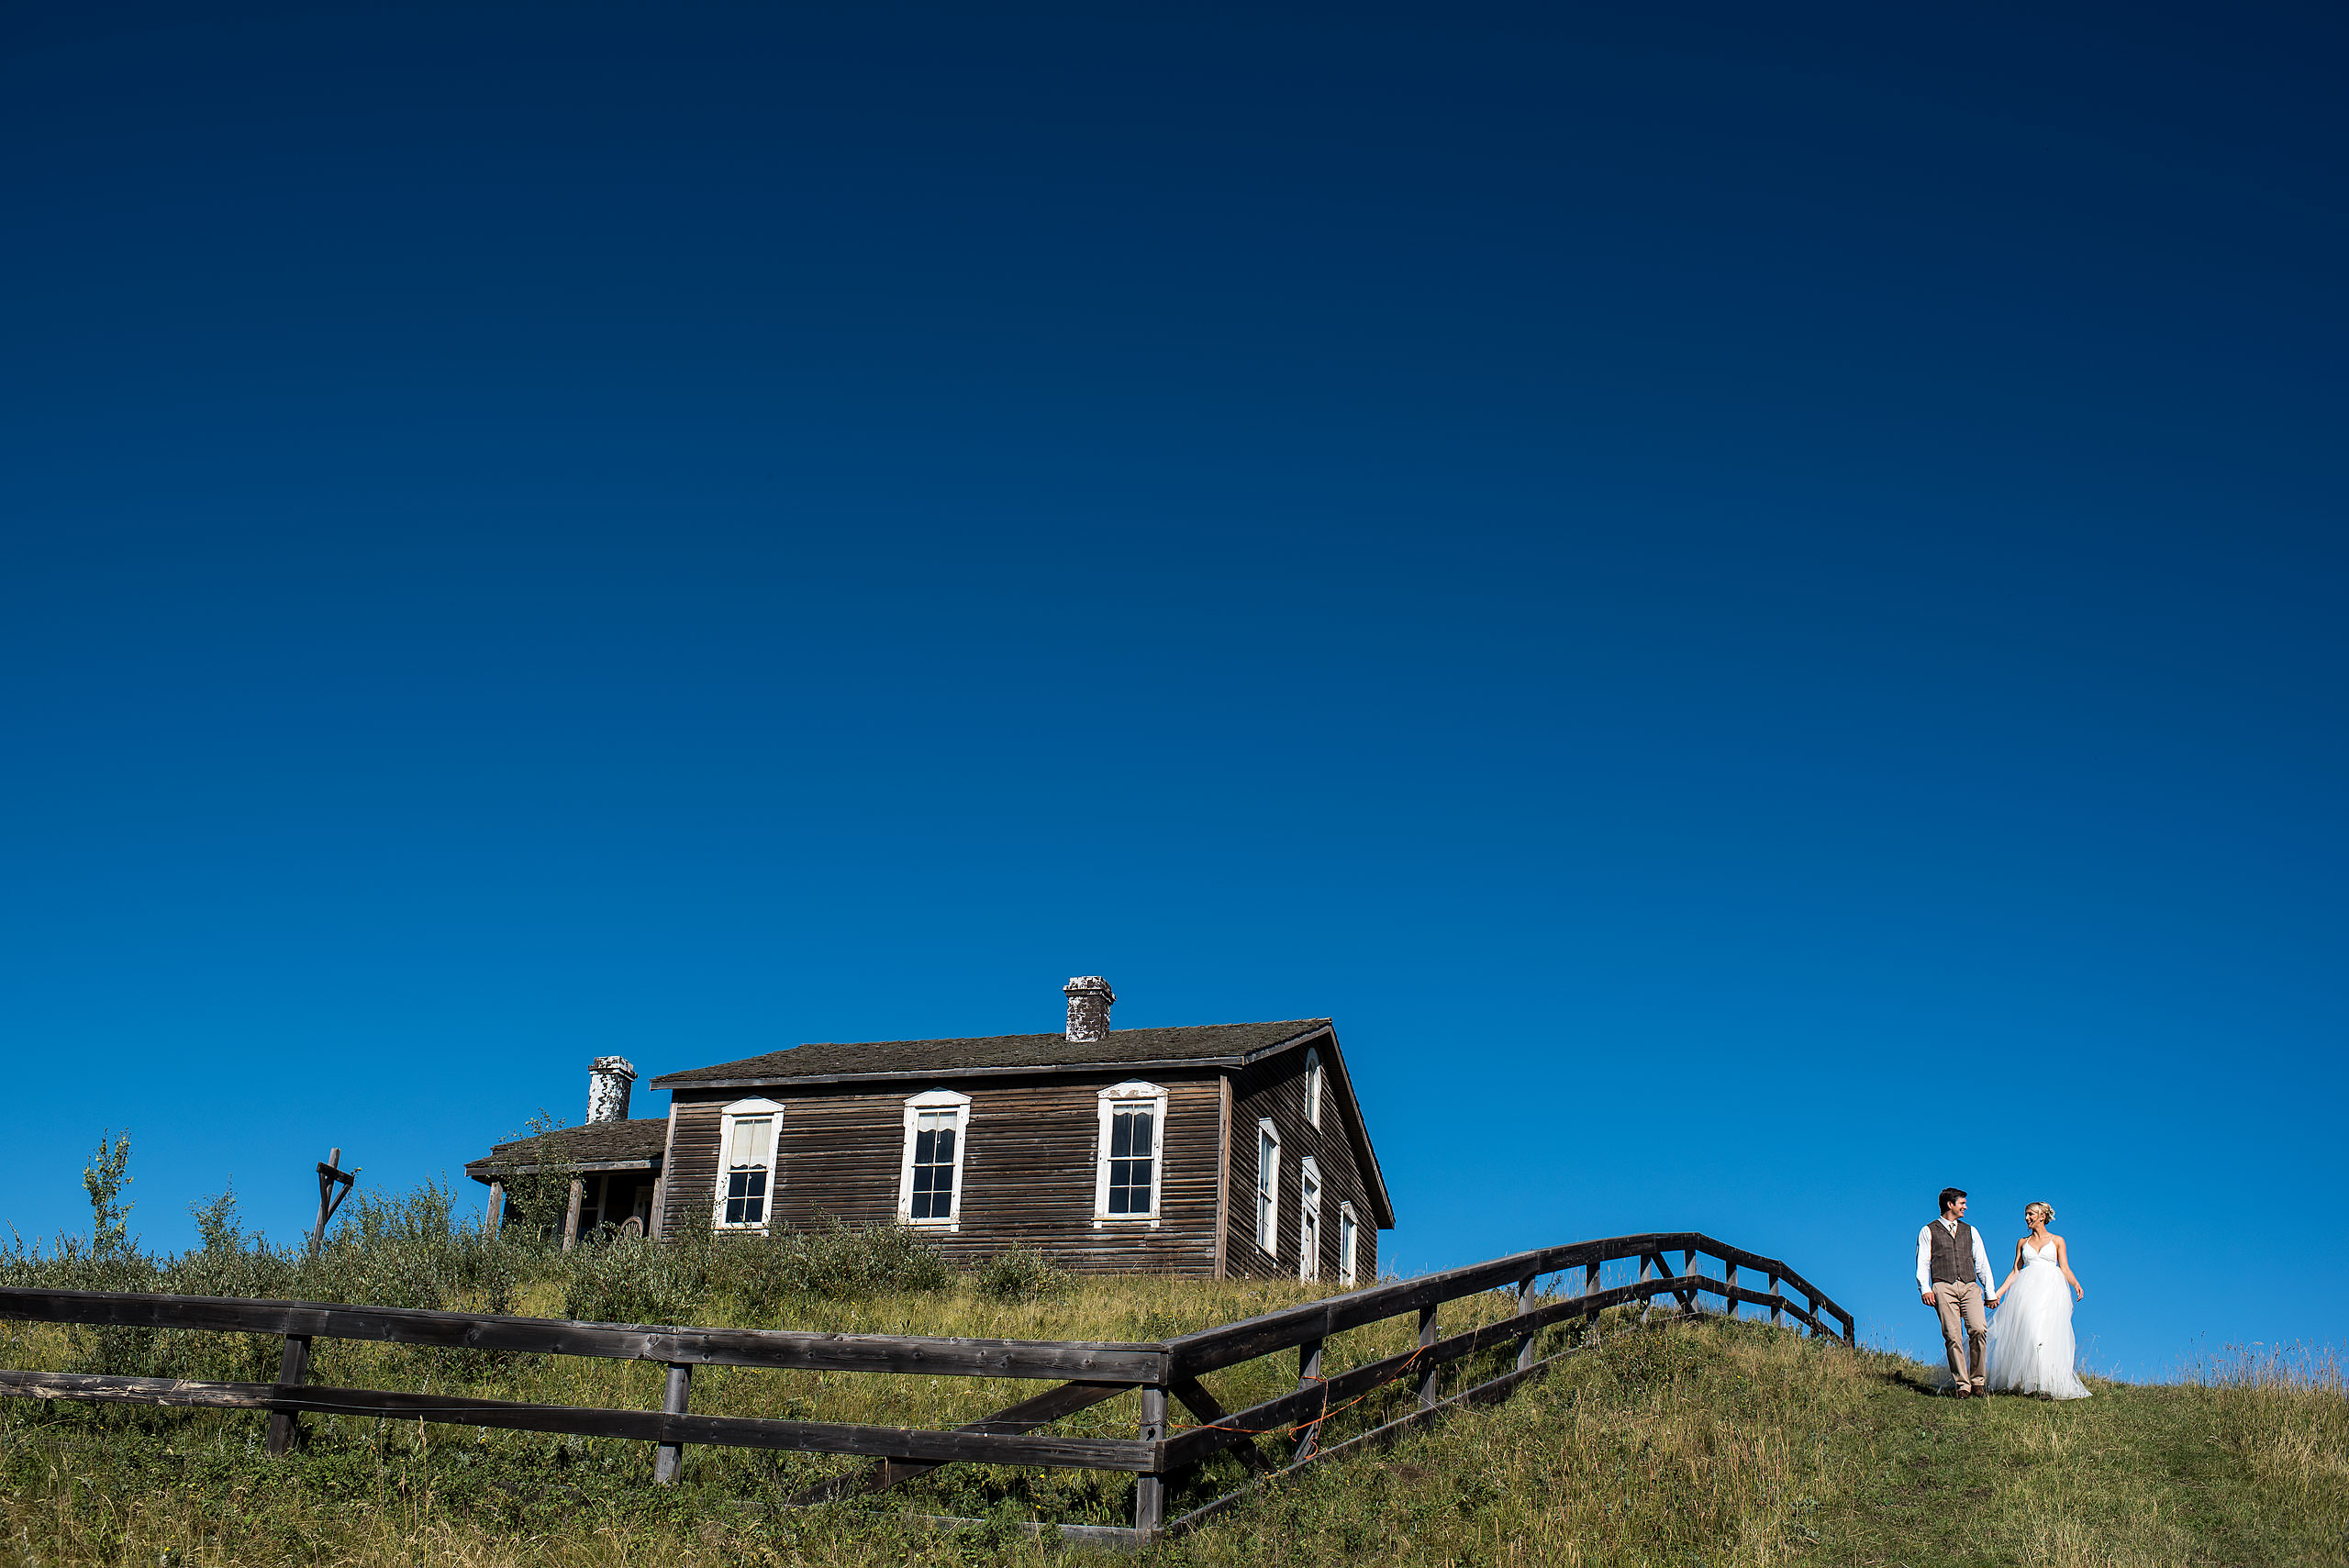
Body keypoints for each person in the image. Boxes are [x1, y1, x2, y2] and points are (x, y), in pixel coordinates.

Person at [1985, 1202, 2091, 1399]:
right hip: (2026, 1291)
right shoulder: (2022, 1242)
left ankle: (2046, 1384)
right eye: (2026, 1214)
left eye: (2031, 1214)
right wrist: (1998, 1293)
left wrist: (2076, 1284)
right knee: (2031, 1332)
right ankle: (2029, 1381)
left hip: (2051, 1290)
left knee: (2046, 1333)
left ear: (2042, 1216)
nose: (2027, 1218)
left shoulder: (2058, 1240)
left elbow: (2064, 1267)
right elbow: (2016, 1271)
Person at [1915, 1186, 2000, 1396]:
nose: (1965, 1207)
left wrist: (1990, 1292)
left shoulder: (1971, 1231)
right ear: (1949, 1204)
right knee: (1953, 1335)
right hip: (1943, 1286)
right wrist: (1925, 1289)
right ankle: (1963, 1385)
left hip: (1970, 1286)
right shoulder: (1928, 1230)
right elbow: (1923, 1262)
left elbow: (1982, 1263)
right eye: (1962, 1203)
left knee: (1979, 1329)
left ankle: (1978, 1380)